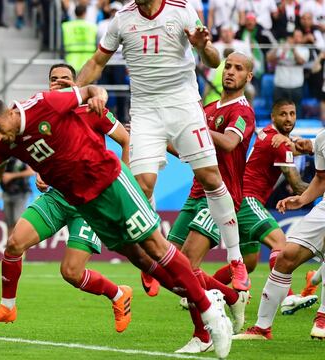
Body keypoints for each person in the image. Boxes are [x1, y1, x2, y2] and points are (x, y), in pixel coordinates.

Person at [0, 85, 234, 358]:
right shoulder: (3, 144)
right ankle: (209, 300)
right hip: (85, 202)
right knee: (142, 261)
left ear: (11, 112)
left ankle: (209, 312)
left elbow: (94, 92)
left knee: (156, 247)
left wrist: (98, 96)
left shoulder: (45, 103)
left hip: (111, 182)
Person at [76, 0, 251, 291]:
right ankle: (153, 254)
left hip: (183, 105)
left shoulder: (181, 10)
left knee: (211, 177)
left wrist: (201, 46)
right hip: (145, 110)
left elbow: (213, 60)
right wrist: (72, 95)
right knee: (142, 185)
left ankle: (236, 259)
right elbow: (96, 62)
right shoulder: (122, 19)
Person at [0, 63, 137, 333]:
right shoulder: (39, 112)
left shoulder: (90, 109)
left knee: (71, 272)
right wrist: (41, 172)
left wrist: (123, 182)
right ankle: (7, 306)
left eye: (65, 78)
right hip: (58, 196)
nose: (58, 82)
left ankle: (119, 294)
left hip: (91, 201)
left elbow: (124, 138)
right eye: (53, 79)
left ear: (76, 83)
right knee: (14, 244)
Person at [166, 52, 255, 354]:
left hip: (221, 196)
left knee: (188, 265)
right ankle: (231, 296)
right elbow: (186, 149)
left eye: (238, 68)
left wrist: (196, 129)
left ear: (248, 77)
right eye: (227, 66)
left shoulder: (242, 112)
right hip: (194, 193)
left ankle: (202, 335)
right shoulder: (209, 108)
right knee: (166, 267)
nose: (230, 71)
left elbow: (230, 143)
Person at [211, 99, 316, 317]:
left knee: (247, 263)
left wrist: (303, 147)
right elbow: (297, 186)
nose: (288, 119)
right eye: (283, 114)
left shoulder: (272, 137)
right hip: (248, 199)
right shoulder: (276, 143)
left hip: (236, 200)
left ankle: (201, 291)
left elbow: (295, 148)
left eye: (292, 114)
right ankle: (288, 297)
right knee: (280, 242)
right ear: (273, 117)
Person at [233, 129, 325, 341]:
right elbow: (321, 178)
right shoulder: (321, 138)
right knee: (286, 256)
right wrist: (302, 200)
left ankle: (322, 317)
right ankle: (262, 329)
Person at [62, 4, 97, 72]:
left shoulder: (66, 26)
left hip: (71, 60)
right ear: (85, 13)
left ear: (75, 13)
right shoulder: (93, 27)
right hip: (88, 61)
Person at [0, 158, 33, 232]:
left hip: (21, 193)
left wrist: (12, 176)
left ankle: (21, 243)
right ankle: (9, 243)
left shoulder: (23, 153)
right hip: (6, 193)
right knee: (9, 224)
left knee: (18, 222)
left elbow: (31, 171)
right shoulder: (4, 154)